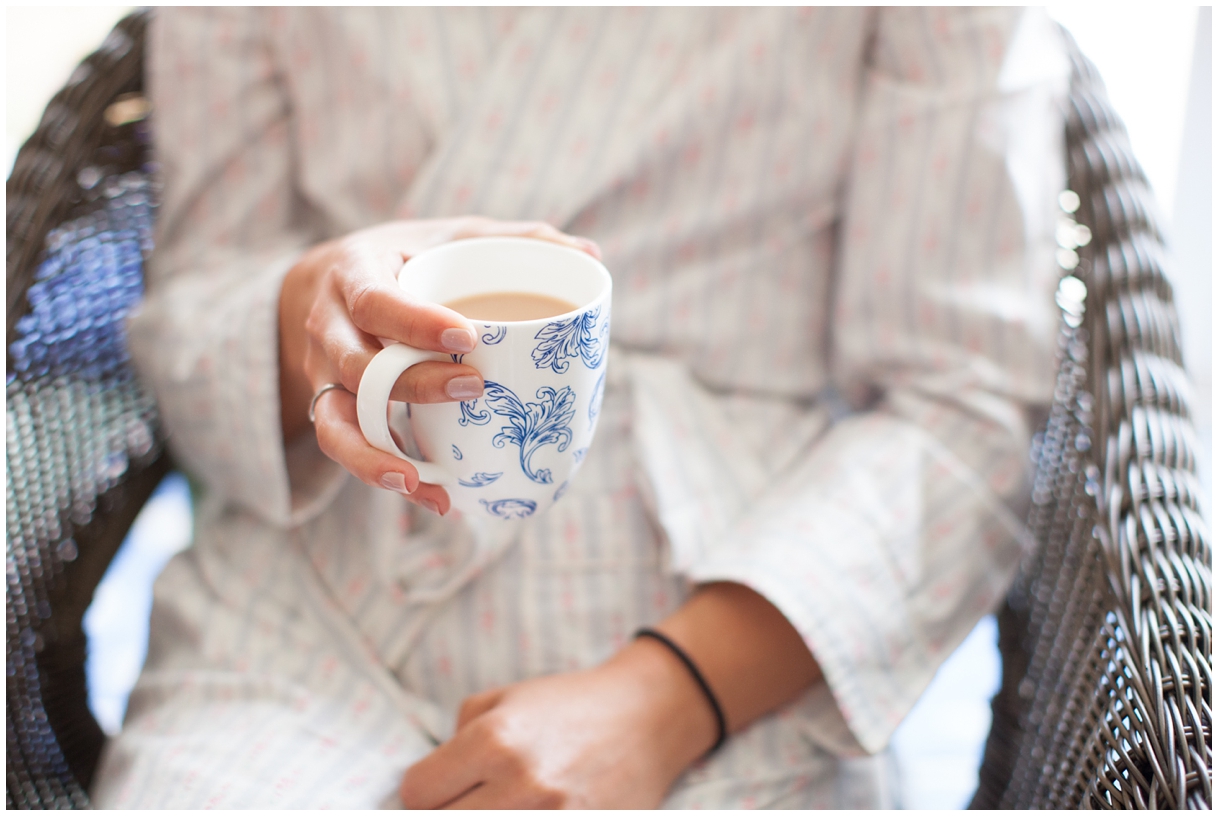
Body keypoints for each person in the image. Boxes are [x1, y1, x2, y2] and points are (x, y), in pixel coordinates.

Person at [93, 7, 1069, 808]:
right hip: (305, 615)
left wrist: (670, 699)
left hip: (733, 632)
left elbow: (961, 404)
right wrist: (311, 307)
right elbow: (189, 324)